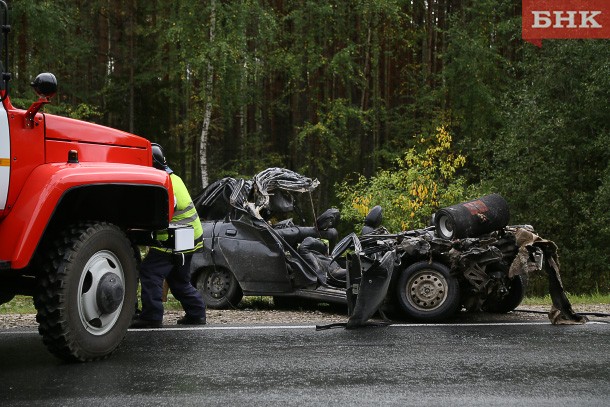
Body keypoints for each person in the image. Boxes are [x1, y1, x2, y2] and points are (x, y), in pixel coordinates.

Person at [131, 143, 206, 328]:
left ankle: (151, 316)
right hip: (190, 236)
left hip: (175, 238)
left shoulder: (162, 183)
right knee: (178, 280)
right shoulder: (174, 178)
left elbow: (165, 213)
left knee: (150, 272)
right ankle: (197, 313)